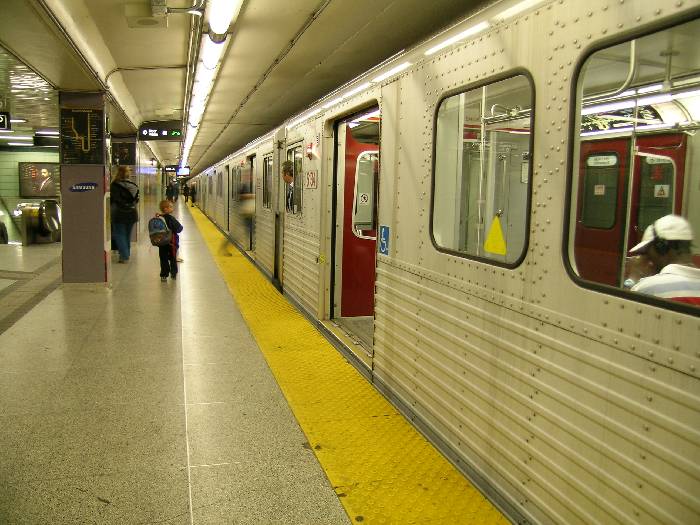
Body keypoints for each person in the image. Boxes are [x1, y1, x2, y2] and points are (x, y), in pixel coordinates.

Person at [627, 214, 700, 305]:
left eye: (647, 252)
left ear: (661, 247)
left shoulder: (647, 288)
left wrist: (632, 279)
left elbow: (623, 309)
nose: (647, 260)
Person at [110, 166, 139, 263]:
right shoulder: (134, 185)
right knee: (127, 235)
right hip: (132, 213)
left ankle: (124, 255)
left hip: (119, 213)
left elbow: (112, 200)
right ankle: (126, 254)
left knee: (119, 234)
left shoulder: (114, 185)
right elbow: (136, 200)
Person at [156, 199, 183, 282]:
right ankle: (173, 274)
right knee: (173, 258)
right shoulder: (171, 218)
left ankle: (164, 275)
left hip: (162, 242)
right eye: (171, 207)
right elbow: (179, 228)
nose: (172, 208)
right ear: (165, 209)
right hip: (172, 242)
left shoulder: (159, 218)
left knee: (163, 258)